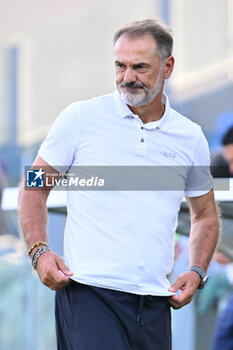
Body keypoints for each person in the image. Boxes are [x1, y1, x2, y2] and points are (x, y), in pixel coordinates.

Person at [18, 18, 219, 350]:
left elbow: (206, 216)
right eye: (120, 66)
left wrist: (197, 270)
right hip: (88, 295)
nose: (127, 78)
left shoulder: (190, 138)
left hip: (155, 302)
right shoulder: (80, 119)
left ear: (168, 67)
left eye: (140, 67)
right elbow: (34, 186)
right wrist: (39, 250)